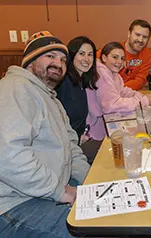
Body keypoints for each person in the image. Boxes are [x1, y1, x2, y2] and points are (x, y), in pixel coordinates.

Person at [0, 31, 90, 237]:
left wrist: (89, 180)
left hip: (46, 189)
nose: (58, 63)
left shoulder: (52, 100)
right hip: (14, 203)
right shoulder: (15, 88)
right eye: (50, 56)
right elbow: (8, 156)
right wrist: (60, 191)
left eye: (63, 59)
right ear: (30, 61)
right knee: (88, 233)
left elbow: (71, 147)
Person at [86, 42, 151, 141]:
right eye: (115, 57)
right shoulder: (101, 73)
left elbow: (123, 91)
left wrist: (140, 96)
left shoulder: (114, 74)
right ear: (104, 57)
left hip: (107, 124)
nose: (119, 61)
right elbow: (111, 106)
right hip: (96, 133)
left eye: (122, 58)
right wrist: (142, 102)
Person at [55, 36, 98, 143]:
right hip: (63, 146)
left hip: (77, 141)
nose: (86, 59)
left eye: (90, 54)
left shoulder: (82, 82)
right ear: (72, 55)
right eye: (81, 54)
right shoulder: (63, 82)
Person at [119, 19, 151, 90]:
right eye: (137, 35)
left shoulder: (146, 53)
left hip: (129, 93)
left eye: (145, 37)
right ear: (129, 34)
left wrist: (121, 89)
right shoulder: (114, 49)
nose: (140, 40)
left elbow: (140, 80)